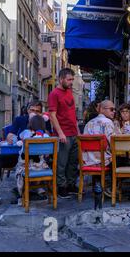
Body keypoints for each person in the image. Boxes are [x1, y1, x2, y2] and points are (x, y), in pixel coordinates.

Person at [0, 101, 50, 206]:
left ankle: (37, 188)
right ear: (28, 110)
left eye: (37, 111)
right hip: (19, 156)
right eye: (32, 110)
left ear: (41, 113)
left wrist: (39, 129)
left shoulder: (43, 121)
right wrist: (11, 138)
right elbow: (10, 135)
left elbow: (49, 136)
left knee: (51, 159)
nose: (34, 112)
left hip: (38, 158)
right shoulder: (20, 119)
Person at [48, 68, 80, 199]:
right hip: (63, 133)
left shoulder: (69, 91)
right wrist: (60, 133)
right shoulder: (54, 94)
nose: (71, 82)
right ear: (61, 79)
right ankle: (61, 187)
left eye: (72, 79)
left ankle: (71, 185)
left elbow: (72, 113)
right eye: (69, 79)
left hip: (74, 132)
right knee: (62, 162)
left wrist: (78, 131)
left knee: (73, 161)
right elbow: (52, 115)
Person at [83, 100, 117, 196]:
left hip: (88, 161)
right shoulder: (108, 122)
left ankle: (98, 185)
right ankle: (109, 186)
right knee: (120, 158)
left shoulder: (89, 123)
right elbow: (113, 143)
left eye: (114, 109)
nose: (114, 112)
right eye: (111, 109)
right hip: (102, 161)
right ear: (102, 109)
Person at [14, 115, 50, 200]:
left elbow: (20, 136)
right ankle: (38, 187)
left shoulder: (26, 133)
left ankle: (24, 190)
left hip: (27, 167)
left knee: (19, 165)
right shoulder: (46, 136)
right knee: (41, 161)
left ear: (30, 124)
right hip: (41, 167)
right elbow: (48, 155)